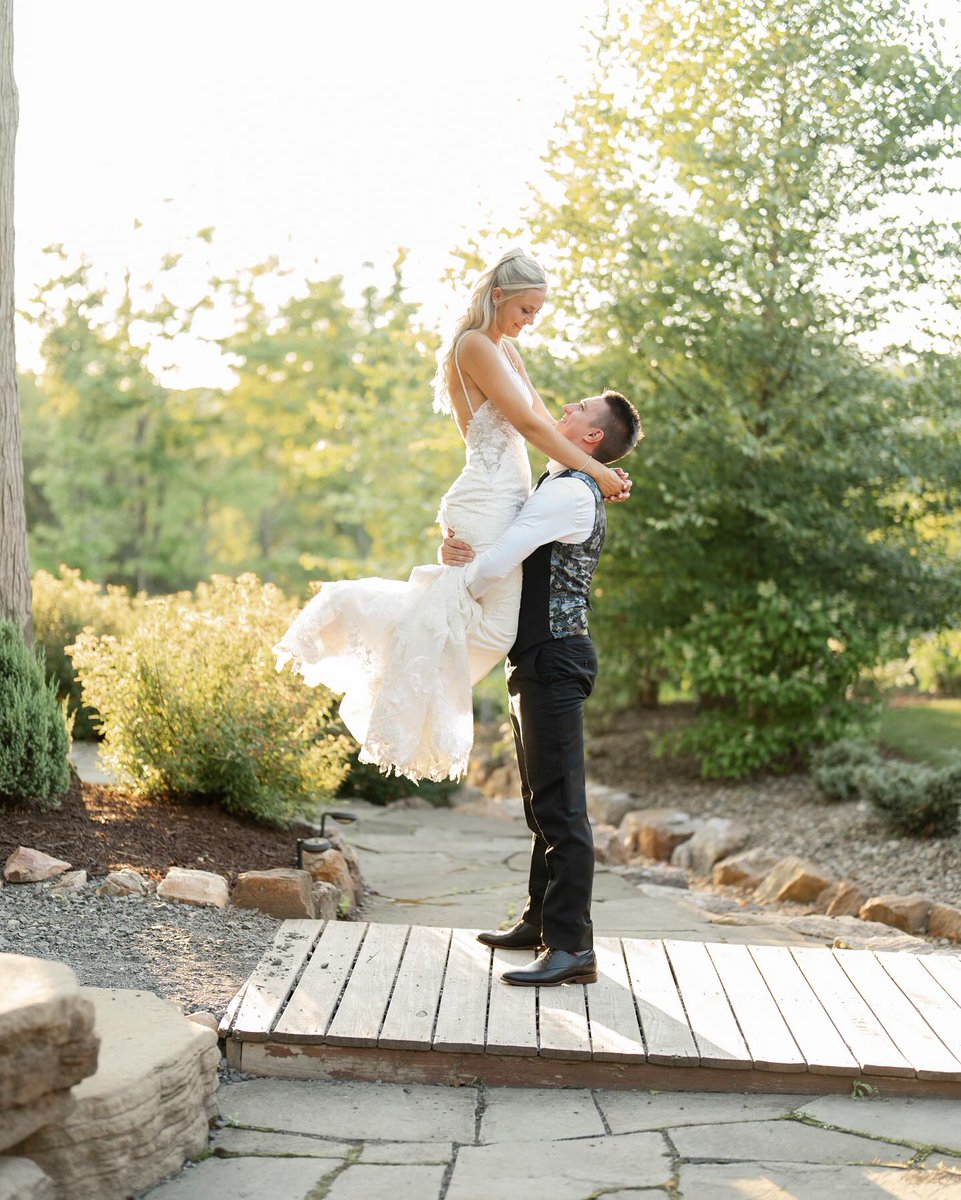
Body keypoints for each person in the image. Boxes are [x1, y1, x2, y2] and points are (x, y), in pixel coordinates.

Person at [273, 250, 630, 782]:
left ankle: (384, 645)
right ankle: (354, 613)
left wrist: (593, 466)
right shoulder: (474, 345)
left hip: (500, 499)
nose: (529, 322)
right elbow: (532, 430)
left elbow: (542, 420)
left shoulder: (505, 349)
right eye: (526, 309)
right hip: (489, 498)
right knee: (490, 628)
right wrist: (598, 473)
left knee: (474, 620)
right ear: (499, 296)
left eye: (537, 313)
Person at [441, 389, 643, 987]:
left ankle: (573, 947)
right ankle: (540, 921)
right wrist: (455, 549)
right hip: (537, 656)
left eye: (579, 408)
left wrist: (453, 583)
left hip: (556, 657)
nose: (566, 407)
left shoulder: (565, 493)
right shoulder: (562, 482)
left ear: (592, 437)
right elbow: (491, 547)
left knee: (562, 808)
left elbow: (499, 561)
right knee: (539, 801)